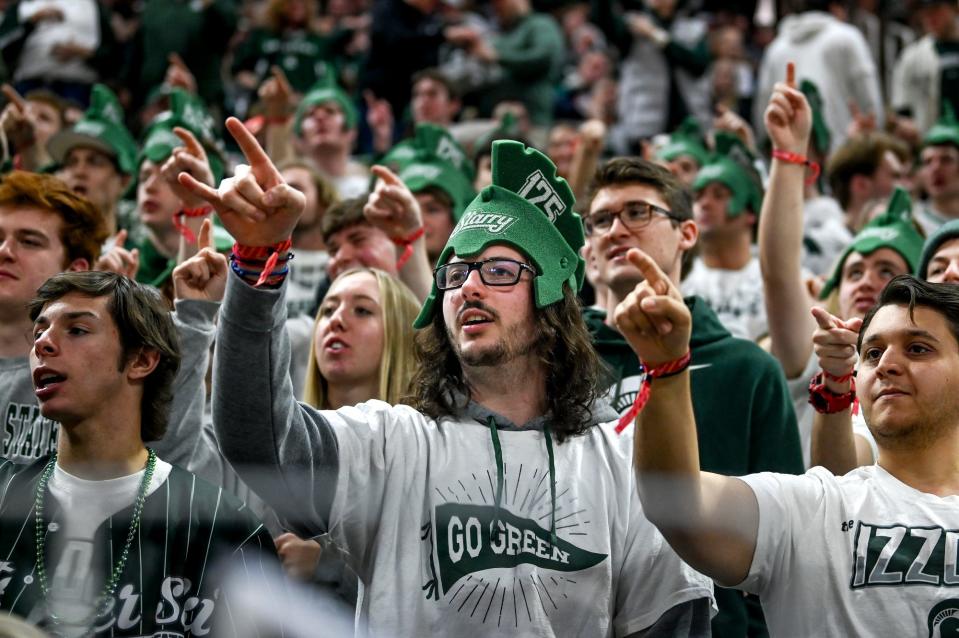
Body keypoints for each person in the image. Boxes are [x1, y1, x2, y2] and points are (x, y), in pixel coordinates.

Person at [180, 117, 714, 635]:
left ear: (553, 303)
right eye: (455, 273)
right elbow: (259, 441)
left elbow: (668, 622)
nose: (470, 288)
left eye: (500, 270)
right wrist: (257, 263)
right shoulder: (393, 442)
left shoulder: (622, 460)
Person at [618, 263, 959, 635]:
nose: (887, 365)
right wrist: (665, 368)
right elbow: (677, 502)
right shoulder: (811, 507)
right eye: (873, 353)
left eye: (918, 348)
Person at [580, 155, 802, 637]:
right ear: (586, 249)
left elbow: (787, 542)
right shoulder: (552, 365)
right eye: (601, 220)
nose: (617, 229)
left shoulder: (747, 369)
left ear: (687, 233)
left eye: (638, 212)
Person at [0, 271, 276, 635]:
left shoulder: (224, 528)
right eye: (38, 332)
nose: (43, 345)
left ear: (142, 360)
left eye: (77, 330)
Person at [758, 68, 923, 468]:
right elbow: (779, 271)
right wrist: (791, 154)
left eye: (886, 271)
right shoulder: (813, 352)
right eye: (854, 272)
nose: (867, 280)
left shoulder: (929, 370)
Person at [681, 133, 767, 341]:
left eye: (719, 195)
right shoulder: (680, 284)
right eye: (698, 196)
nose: (705, 204)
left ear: (750, 212)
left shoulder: (773, 279)